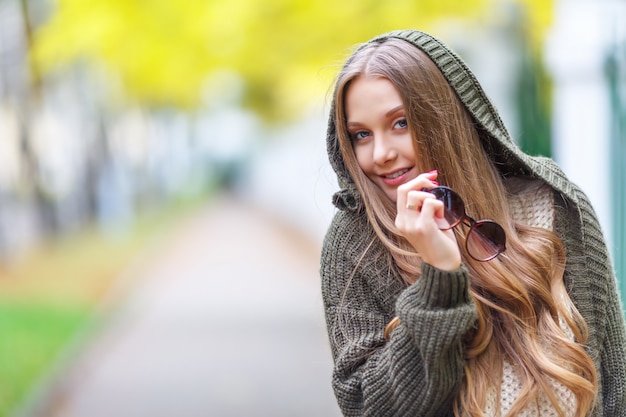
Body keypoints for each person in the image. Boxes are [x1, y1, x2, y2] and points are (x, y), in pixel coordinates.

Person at [320, 29, 626, 417]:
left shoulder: (552, 202)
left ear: (443, 118)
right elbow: (367, 407)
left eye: (400, 123)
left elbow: (613, 381)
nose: (379, 154)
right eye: (361, 134)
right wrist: (439, 279)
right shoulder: (356, 241)